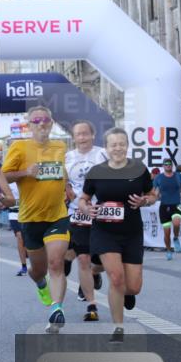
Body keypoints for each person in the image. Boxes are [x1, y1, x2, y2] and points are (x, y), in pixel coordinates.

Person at [79, 128, 158, 343]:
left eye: (121, 143)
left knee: (133, 287)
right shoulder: (96, 171)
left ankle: (97, 272)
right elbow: (83, 198)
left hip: (131, 232)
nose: (118, 148)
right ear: (106, 148)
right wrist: (86, 209)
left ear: (127, 145)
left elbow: (152, 194)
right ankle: (118, 327)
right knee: (116, 278)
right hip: (104, 231)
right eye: (113, 144)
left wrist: (146, 201)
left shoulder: (139, 170)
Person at [2, 106, 71, 332]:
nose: (42, 124)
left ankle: (56, 308)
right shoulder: (19, 146)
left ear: (51, 123)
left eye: (46, 120)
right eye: (36, 120)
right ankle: (41, 284)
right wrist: (25, 172)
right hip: (30, 219)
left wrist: (67, 186)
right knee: (38, 270)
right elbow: (3, 174)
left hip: (57, 216)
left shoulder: (60, 146)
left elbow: (61, 171)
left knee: (56, 263)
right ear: (29, 125)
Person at [65, 120, 107, 320]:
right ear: (74, 137)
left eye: (85, 133)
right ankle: (92, 306)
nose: (81, 137)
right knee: (83, 258)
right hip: (78, 212)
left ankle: (95, 273)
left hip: (101, 211)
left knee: (102, 261)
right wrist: (67, 189)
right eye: (78, 134)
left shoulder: (101, 154)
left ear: (92, 135)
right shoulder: (68, 157)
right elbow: (63, 180)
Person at [152, 159, 181, 260]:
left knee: (176, 223)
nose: (168, 166)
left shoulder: (178, 176)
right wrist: (153, 197)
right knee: (166, 233)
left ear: (172, 166)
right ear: (163, 166)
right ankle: (168, 250)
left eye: (169, 164)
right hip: (164, 206)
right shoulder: (158, 178)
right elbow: (154, 191)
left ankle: (176, 238)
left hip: (176, 204)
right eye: (166, 164)